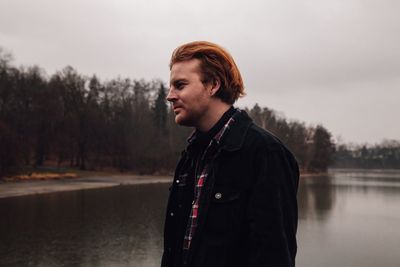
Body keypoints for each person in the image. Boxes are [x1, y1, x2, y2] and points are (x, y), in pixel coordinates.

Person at [161, 41, 299, 267]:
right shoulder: (191, 155)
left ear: (213, 85)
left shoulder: (266, 154)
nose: (170, 95)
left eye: (180, 85)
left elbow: (274, 256)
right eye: (171, 87)